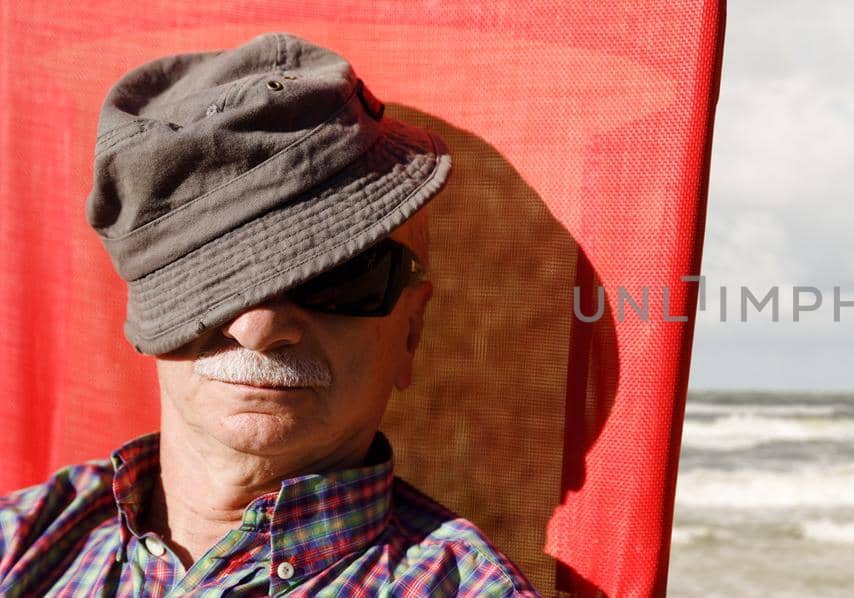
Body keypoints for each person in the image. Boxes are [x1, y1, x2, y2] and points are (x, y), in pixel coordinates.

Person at [0, 33, 539, 596]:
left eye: (335, 276)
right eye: (214, 280)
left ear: (411, 330)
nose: (260, 328)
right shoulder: (18, 542)